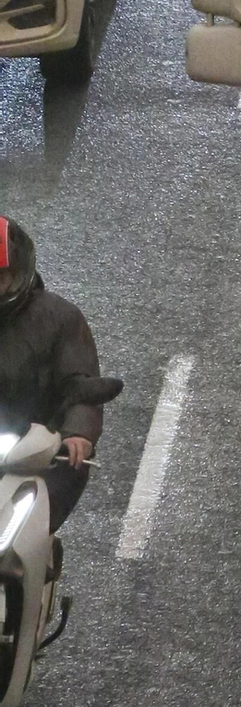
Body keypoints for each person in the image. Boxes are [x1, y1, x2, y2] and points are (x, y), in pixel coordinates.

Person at [0, 218, 111, 531]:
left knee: (26, 530)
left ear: (19, 273)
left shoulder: (60, 319)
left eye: (0, 277)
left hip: (43, 454)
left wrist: (78, 433)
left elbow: (81, 384)